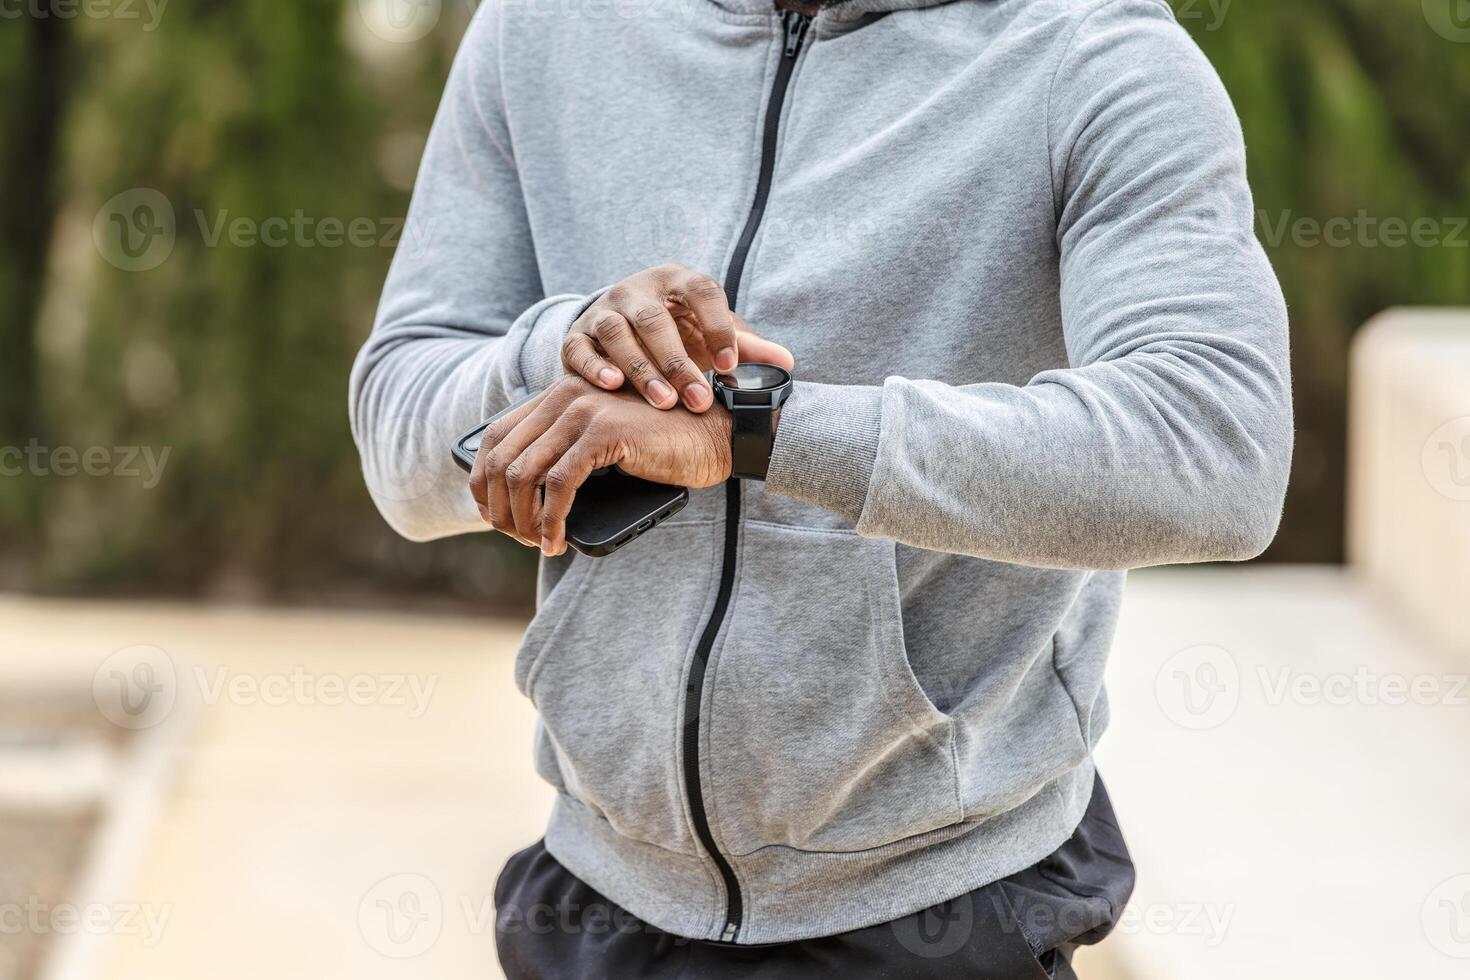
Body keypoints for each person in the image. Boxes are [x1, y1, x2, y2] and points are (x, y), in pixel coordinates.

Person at [349, 0, 1292, 975]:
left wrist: (758, 427)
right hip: (593, 899)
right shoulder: (543, 25)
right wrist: (569, 348)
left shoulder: (1093, 55)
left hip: (936, 906)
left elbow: (1216, 445)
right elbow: (398, 435)